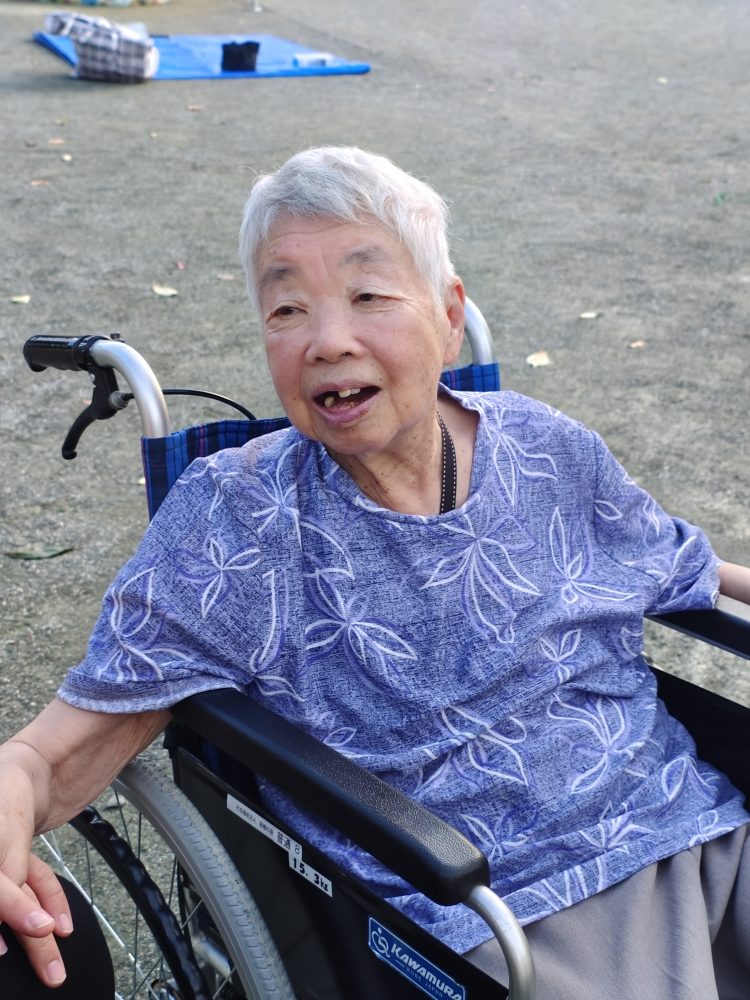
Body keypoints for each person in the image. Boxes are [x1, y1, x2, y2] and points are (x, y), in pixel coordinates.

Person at [1, 145, 749, 999]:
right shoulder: (239, 520)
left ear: (449, 316)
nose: (328, 341)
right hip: (505, 918)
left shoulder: (547, 447)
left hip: (701, 823)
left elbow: (683, 564)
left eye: (369, 296)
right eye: (288, 309)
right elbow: (50, 755)